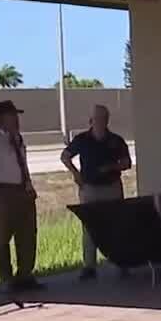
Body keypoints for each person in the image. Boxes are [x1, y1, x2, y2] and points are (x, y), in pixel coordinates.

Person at [61, 104, 133, 280]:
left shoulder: (116, 140)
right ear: (90, 121)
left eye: (103, 119)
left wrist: (112, 166)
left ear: (107, 121)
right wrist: (75, 173)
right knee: (89, 227)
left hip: (112, 187)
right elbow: (65, 156)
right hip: (90, 188)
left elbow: (127, 162)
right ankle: (89, 266)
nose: (100, 122)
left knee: (116, 226)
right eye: (97, 119)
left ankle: (120, 262)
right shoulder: (82, 139)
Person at [0, 100, 41, 292]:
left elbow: (22, 164)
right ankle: (7, 279)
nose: (16, 119)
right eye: (11, 115)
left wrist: (29, 186)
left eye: (16, 115)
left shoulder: (17, 138)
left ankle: (25, 275)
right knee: (2, 238)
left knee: (28, 235)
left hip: (22, 191)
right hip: (3, 193)